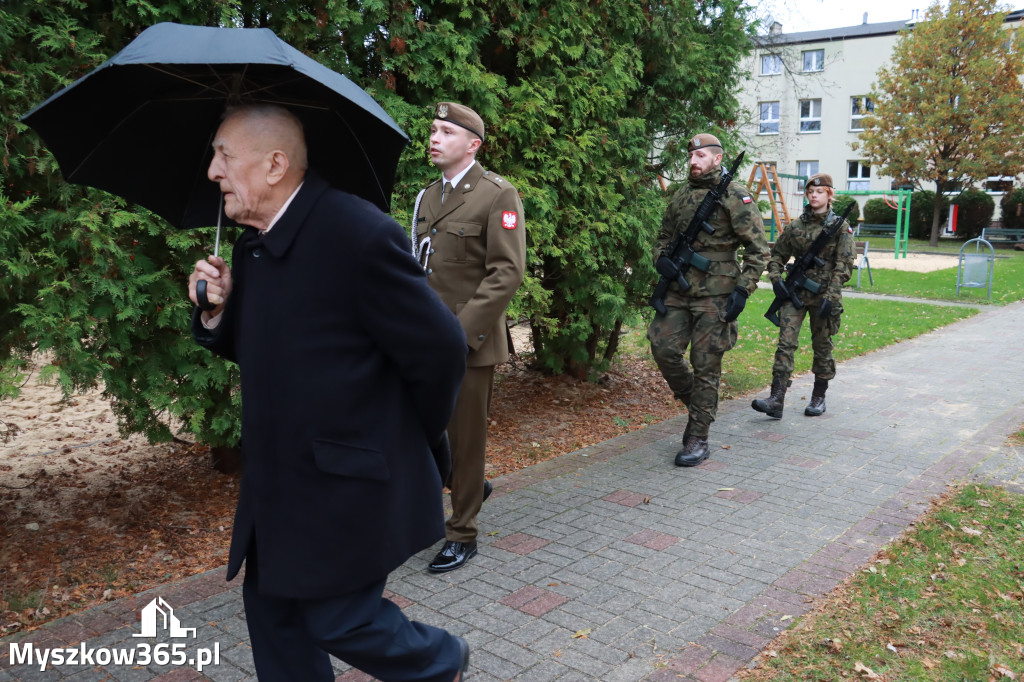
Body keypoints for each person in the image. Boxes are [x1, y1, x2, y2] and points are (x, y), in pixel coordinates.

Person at [187, 104, 471, 682]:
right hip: (279, 483)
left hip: (346, 481)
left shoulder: (356, 232)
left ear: (274, 165)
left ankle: (441, 663)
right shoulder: (254, 245)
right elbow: (265, 349)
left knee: (339, 618)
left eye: (224, 155)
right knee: (275, 618)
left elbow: (440, 349)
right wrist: (216, 313)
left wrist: (407, 436)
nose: (213, 171)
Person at [413, 102, 526, 573]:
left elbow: (507, 272)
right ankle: (468, 484)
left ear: (472, 144)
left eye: (445, 132)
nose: (433, 137)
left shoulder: (497, 195)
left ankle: (463, 533)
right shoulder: (425, 197)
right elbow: (415, 266)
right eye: (432, 130)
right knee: (421, 432)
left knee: (465, 439)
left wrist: (457, 337)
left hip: (467, 343)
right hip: (423, 340)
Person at [647, 133, 770, 467]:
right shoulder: (681, 194)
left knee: (706, 365)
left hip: (716, 296)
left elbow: (758, 249)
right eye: (691, 155)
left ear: (717, 158)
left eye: (701, 155)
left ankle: (697, 435)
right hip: (677, 291)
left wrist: (743, 290)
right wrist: (661, 259)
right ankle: (698, 404)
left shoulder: (735, 196)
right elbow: (663, 237)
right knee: (663, 348)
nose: (693, 161)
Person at [752, 173, 855, 419]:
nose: (814, 196)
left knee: (822, 346)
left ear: (829, 194)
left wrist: (831, 295)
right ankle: (776, 399)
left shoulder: (839, 227)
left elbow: (844, 264)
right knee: (785, 344)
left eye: (819, 192)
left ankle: (819, 396)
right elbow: (776, 255)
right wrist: (776, 279)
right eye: (810, 192)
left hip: (824, 295)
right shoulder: (796, 226)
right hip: (796, 293)